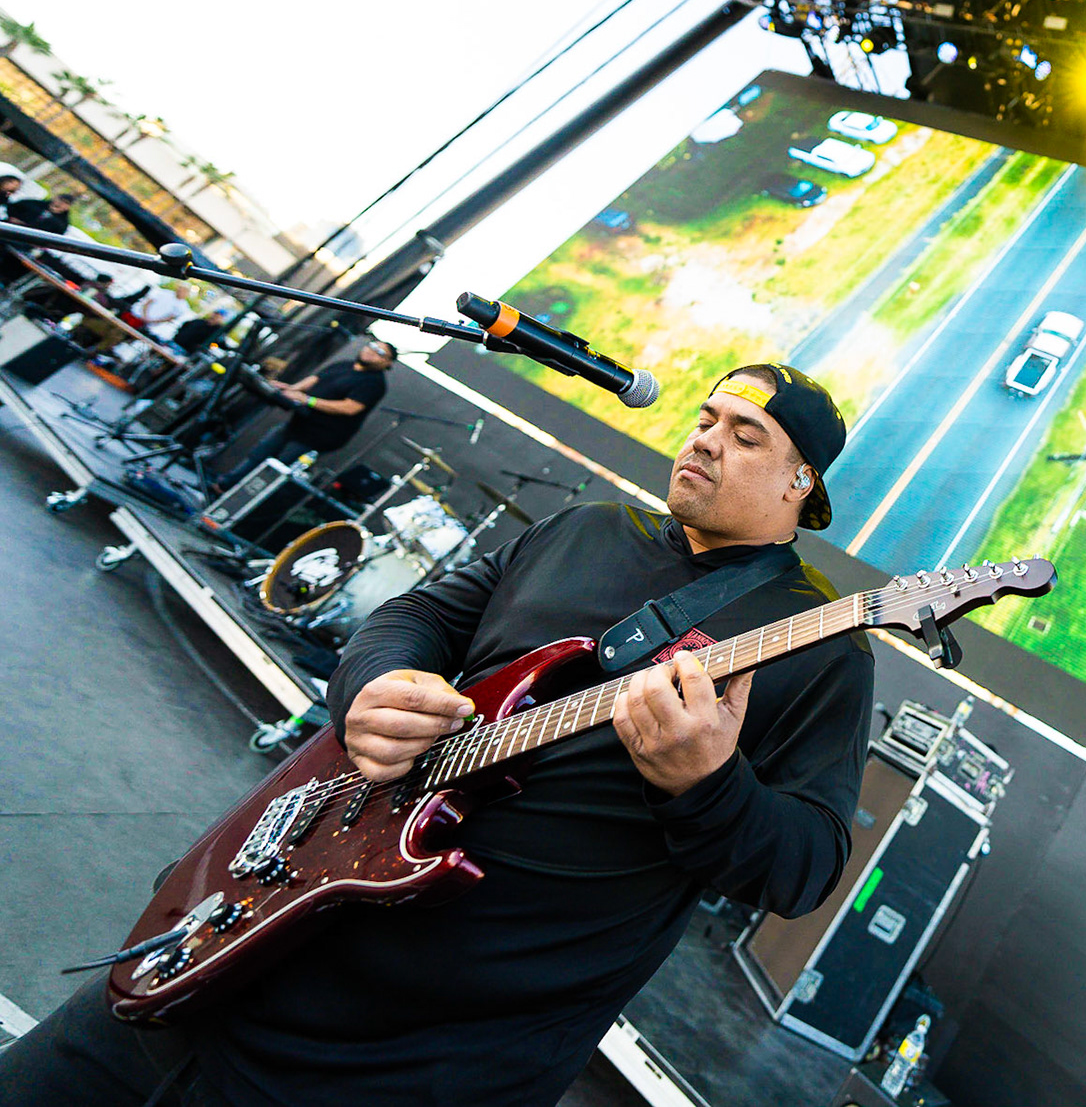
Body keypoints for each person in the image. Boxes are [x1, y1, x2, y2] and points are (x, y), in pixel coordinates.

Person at [3, 362, 873, 1107]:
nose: (707, 441)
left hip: (412, 1064)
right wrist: (373, 687)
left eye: (746, 436)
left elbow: (803, 867)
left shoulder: (819, 643)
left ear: (801, 483)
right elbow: (415, 617)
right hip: (247, 932)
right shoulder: (584, 529)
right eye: (706, 419)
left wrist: (707, 782)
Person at [213, 338, 394, 487]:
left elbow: (350, 407)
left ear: (387, 362)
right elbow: (315, 379)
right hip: (299, 422)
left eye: (380, 352)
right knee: (260, 453)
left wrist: (308, 400)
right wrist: (290, 389)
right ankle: (224, 485)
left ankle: (238, 500)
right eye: (372, 346)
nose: (372, 351)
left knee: (275, 469)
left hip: (320, 435)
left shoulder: (374, 383)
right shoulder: (344, 365)